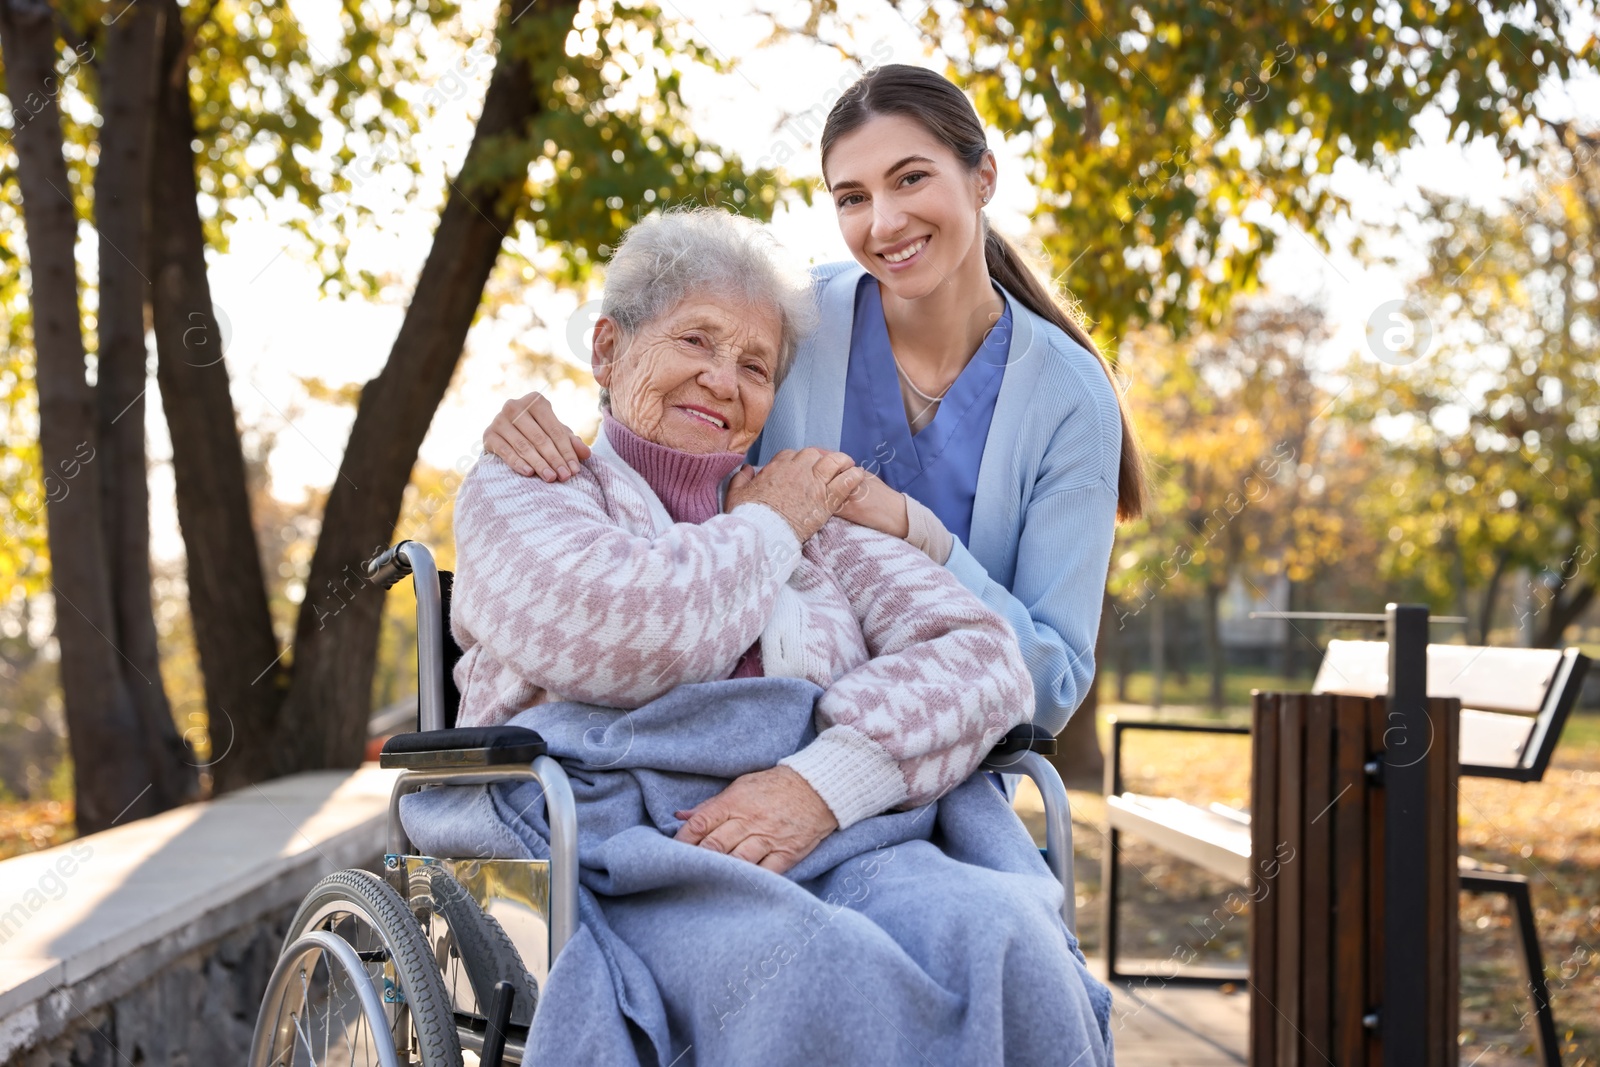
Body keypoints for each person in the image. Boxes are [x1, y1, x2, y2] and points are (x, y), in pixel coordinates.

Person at [435, 207, 1114, 1064]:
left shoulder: (813, 517)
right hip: (633, 855)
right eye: (696, 341)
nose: (724, 379)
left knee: (1007, 933)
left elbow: (986, 659)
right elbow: (634, 633)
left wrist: (822, 783)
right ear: (607, 350)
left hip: (842, 838)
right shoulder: (533, 488)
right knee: (823, 972)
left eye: (755, 364)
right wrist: (766, 529)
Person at [479, 64, 1145, 749]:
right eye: (852, 197)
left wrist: (921, 534)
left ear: (984, 177)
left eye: (911, 177)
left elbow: (1051, 687)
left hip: (938, 764)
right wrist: (541, 429)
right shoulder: (792, 322)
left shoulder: (1069, 398)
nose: (885, 222)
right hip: (745, 740)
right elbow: (661, 468)